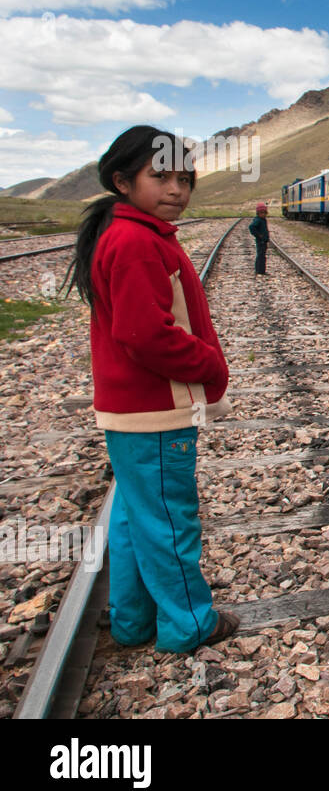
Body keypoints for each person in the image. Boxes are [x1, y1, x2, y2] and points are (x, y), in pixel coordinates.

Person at [70, 125, 239, 652]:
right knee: (170, 520)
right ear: (123, 181)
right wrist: (210, 365)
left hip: (130, 411)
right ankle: (189, 624)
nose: (176, 190)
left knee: (133, 516)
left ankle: (133, 621)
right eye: (160, 177)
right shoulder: (138, 242)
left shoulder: (126, 234)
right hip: (156, 411)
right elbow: (145, 336)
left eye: (184, 179)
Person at [248, 202, 269, 275]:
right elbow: (251, 227)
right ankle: (259, 271)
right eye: (261, 213)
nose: (263, 214)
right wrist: (258, 235)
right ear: (258, 213)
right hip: (261, 241)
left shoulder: (262, 220)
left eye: (264, 213)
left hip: (263, 241)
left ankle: (261, 270)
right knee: (260, 256)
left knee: (262, 256)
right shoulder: (258, 220)